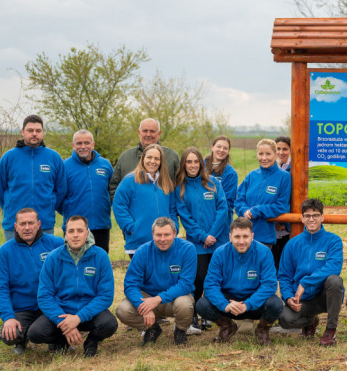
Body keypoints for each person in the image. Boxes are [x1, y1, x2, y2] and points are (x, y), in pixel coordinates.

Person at [27, 215, 117, 357]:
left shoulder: (100, 256)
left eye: (80, 231)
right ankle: (61, 339)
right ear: (65, 234)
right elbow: (44, 296)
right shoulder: (52, 258)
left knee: (109, 324)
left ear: (87, 233)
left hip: (89, 313)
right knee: (35, 333)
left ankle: (92, 342)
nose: (75, 235)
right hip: (62, 312)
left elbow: (105, 296)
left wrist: (79, 317)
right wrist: (64, 322)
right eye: (71, 231)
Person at [195, 218, 284, 345]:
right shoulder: (220, 253)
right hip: (229, 302)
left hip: (254, 301)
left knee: (276, 304)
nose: (241, 241)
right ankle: (227, 326)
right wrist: (224, 305)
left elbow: (269, 285)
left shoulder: (264, 252)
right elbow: (210, 285)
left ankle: (263, 329)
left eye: (245, 236)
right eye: (237, 237)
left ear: (252, 236)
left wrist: (248, 304)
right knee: (202, 305)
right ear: (230, 237)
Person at [116, 217, 198, 347]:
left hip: (174, 299)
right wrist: (143, 307)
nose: (163, 239)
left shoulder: (188, 249)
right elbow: (130, 284)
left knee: (185, 305)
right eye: (158, 235)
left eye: (167, 234)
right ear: (152, 234)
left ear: (175, 233)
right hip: (147, 298)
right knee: (123, 310)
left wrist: (159, 298)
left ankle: (180, 330)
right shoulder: (142, 251)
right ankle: (152, 328)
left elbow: (186, 284)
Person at [0, 208, 63, 355]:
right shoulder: (4, 252)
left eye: (31, 223)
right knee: (9, 336)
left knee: (38, 332)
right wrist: (8, 317)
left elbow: (78, 249)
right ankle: (21, 339)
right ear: (15, 227)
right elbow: (0, 288)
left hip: (51, 305)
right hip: (23, 308)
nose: (27, 227)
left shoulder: (56, 244)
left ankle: (57, 340)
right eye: (22, 224)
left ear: (39, 224)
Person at [175, 147, 228, 334]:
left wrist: (212, 234)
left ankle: (211, 313)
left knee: (215, 279)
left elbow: (223, 208)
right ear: (184, 164)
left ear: (201, 163)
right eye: (188, 162)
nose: (192, 165)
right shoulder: (180, 187)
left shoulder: (213, 183)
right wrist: (202, 236)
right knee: (198, 279)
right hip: (196, 244)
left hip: (218, 241)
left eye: (195, 161)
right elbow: (185, 216)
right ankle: (195, 314)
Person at [278, 199, 344, 347]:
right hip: (303, 299)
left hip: (325, 297)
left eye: (315, 215)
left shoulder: (333, 240)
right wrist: (288, 297)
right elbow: (284, 276)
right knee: (285, 319)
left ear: (322, 217)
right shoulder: (292, 244)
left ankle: (330, 330)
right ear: (302, 219)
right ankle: (310, 320)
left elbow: (334, 266)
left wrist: (305, 283)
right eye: (307, 216)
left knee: (335, 280)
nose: (311, 219)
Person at [0, 115, 66, 241]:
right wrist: (11, 206)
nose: (34, 134)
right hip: (14, 224)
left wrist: (49, 204)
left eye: (38, 131)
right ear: (22, 132)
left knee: (44, 260)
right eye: (30, 130)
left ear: (43, 132)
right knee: (16, 260)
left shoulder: (53, 157)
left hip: (44, 223)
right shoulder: (9, 157)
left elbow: (61, 190)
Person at [113, 144, 178, 256]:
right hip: (139, 243)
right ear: (143, 159)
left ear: (161, 161)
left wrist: (174, 228)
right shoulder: (130, 180)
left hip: (164, 241)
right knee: (141, 273)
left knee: (162, 273)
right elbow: (119, 206)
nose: (152, 161)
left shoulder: (166, 183)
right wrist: (132, 228)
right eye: (149, 157)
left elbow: (172, 210)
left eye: (157, 158)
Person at [235, 138, 291, 266]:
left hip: (265, 236)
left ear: (275, 155)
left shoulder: (284, 177)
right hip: (243, 235)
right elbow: (238, 200)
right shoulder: (251, 176)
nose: (264, 158)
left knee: (258, 274)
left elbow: (281, 206)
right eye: (260, 154)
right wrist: (244, 210)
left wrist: (256, 210)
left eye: (268, 154)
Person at [59, 130, 113, 253]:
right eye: (79, 143)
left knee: (100, 264)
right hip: (74, 228)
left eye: (87, 143)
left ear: (93, 145)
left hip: (101, 225)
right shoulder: (64, 166)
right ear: (73, 146)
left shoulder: (105, 164)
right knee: (73, 265)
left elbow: (112, 191)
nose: (83, 146)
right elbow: (58, 197)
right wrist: (68, 209)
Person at [108, 118, 180, 200]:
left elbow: (181, 187)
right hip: (132, 212)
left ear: (159, 133)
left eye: (152, 131)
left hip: (163, 211)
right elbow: (114, 187)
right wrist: (123, 210)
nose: (148, 134)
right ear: (139, 132)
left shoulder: (172, 156)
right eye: (145, 131)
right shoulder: (125, 157)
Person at [272, 136, 293, 268]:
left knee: (286, 260)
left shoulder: (294, 169)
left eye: (285, 149)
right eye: (278, 149)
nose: (281, 152)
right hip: (273, 221)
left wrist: (283, 221)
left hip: (287, 222)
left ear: (291, 151)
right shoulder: (272, 168)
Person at [208, 135, 239, 222]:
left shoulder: (230, 173)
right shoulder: (200, 166)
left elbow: (228, 203)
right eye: (219, 146)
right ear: (212, 147)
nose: (221, 150)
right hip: (202, 218)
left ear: (228, 151)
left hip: (222, 220)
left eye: (225, 148)